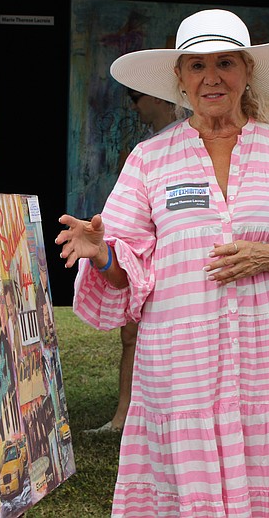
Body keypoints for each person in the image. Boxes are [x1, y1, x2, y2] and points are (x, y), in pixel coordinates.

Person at [56, 8, 269, 517]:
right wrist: (104, 252)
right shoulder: (150, 160)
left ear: (247, 72)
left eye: (224, 63)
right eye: (196, 65)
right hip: (177, 366)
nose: (211, 77)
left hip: (263, 362)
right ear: (180, 78)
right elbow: (128, 270)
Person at [87, 88, 181, 434]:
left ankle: (134, 416)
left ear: (157, 98)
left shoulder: (177, 143)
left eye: (137, 100)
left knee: (145, 337)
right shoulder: (151, 150)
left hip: (169, 269)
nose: (134, 109)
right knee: (132, 335)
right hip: (144, 260)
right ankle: (125, 414)